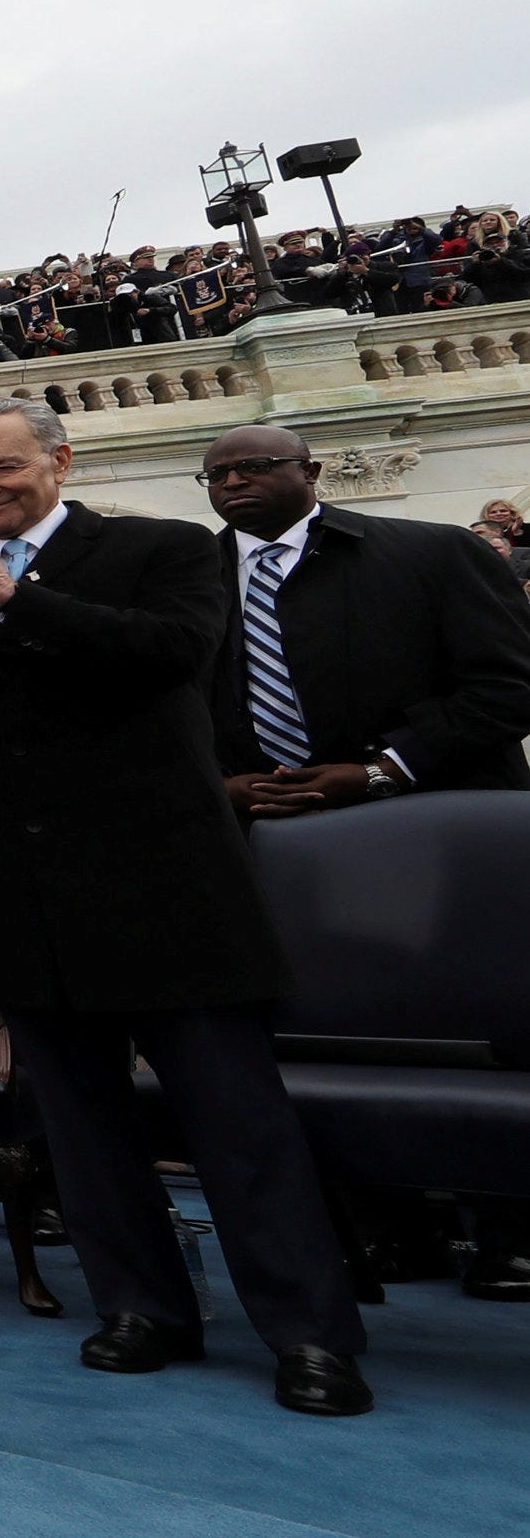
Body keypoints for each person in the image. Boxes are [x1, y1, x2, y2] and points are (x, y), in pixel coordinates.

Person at [0, 399, 370, 1415]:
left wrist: (7, 595)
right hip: (20, 901)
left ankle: (308, 1334)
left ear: (59, 459)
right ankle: (141, 1306)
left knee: (235, 1125)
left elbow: (165, 655)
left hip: (163, 893)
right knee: (81, 1127)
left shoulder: (161, 547)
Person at [198, 423, 530, 1301]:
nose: (233, 482)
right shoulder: (188, 582)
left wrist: (381, 769)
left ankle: (509, 1232)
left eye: (254, 466)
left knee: (479, 1028)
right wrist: (221, 783)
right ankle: (389, 1230)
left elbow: (509, 684)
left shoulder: (431, 552)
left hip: (436, 829)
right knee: (319, 1030)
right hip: (275, 847)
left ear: (309, 470)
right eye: (217, 472)